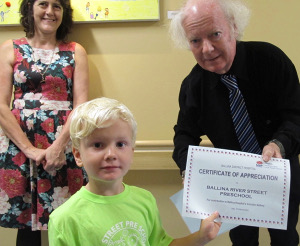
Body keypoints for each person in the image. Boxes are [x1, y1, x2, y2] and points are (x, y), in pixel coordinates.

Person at [169, 0, 300, 245]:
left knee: (285, 239)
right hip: (232, 183)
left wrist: (279, 145)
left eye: (215, 34)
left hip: (279, 173)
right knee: (242, 240)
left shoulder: (271, 60)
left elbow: (296, 116)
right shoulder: (194, 85)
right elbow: (184, 135)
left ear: (234, 28)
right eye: (195, 40)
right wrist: (189, 167)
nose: (207, 49)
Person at [48, 97, 221, 246]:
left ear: (132, 150)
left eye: (120, 144)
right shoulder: (64, 219)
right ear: (78, 155)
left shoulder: (144, 200)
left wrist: (201, 237)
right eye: (98, 145)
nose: (111, 154)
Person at [0, 0, 89, 245]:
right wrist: (28, 149)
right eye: (43, 4)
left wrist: (58, 146)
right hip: (19, 144)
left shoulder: (75, 51)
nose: (50, 11)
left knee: (68, 218)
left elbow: (80, 106)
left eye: (57, 6)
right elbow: (0, 106)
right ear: (30, 8)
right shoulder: (10, 49)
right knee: (27, 226)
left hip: (63, 142)